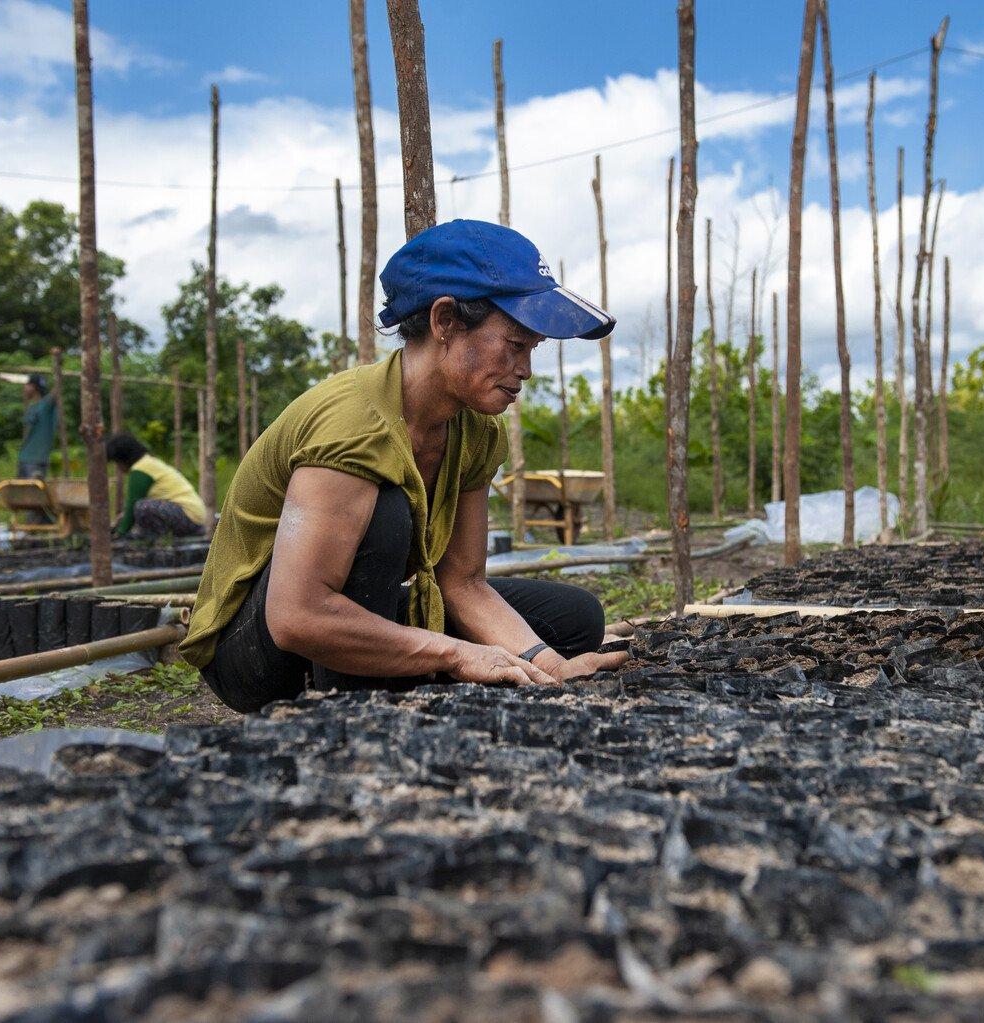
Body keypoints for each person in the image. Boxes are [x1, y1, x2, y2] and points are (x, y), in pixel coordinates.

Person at [181, 219, 628, 712]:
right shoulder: (355, 426)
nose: (524, 370)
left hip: (347, 609)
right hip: (259, 650)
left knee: (573, 620)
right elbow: (296, 615)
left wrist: (549, 666)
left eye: (531, 351)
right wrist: (454, 652)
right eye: (514, 345)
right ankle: (353, 707)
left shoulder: (475, 427)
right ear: (444, 322)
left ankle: (395, 676)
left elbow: (462, 581)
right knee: (387, 513)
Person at [106, 433, 206, 539]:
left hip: (188, 516)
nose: (118, 468)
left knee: (141, 507)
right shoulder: (148, 463)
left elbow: (132, 503)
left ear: (123, 459)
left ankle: (156, 540)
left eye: (117, 463)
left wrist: (119, 533)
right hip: (193, 516)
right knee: (133, 512)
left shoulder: (141, 469)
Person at [17, 374, 58, 479]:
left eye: (27, 384)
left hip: (36, 461)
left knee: (34, 493)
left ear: (34, 387)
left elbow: (56, 390)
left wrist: (58, 371)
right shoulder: (32, 407)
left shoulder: (46, 405)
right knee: (21, 493)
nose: (25, 387)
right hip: (24, 458)